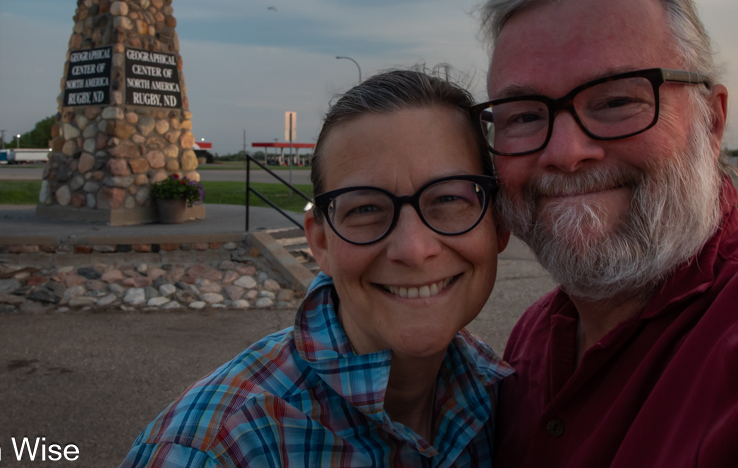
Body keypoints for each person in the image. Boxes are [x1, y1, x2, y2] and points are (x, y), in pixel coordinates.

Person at [472, 0, 738, 467]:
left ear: (712, 121)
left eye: (616, 100)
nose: (565, 153)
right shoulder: (534, 335)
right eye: (523, 115)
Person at [121, 68, 511, 467]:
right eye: (366, 209)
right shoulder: (213, 450)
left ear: (499, 222)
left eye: (448, 199)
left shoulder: (500, 393)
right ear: (320, 241)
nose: (413, 250)